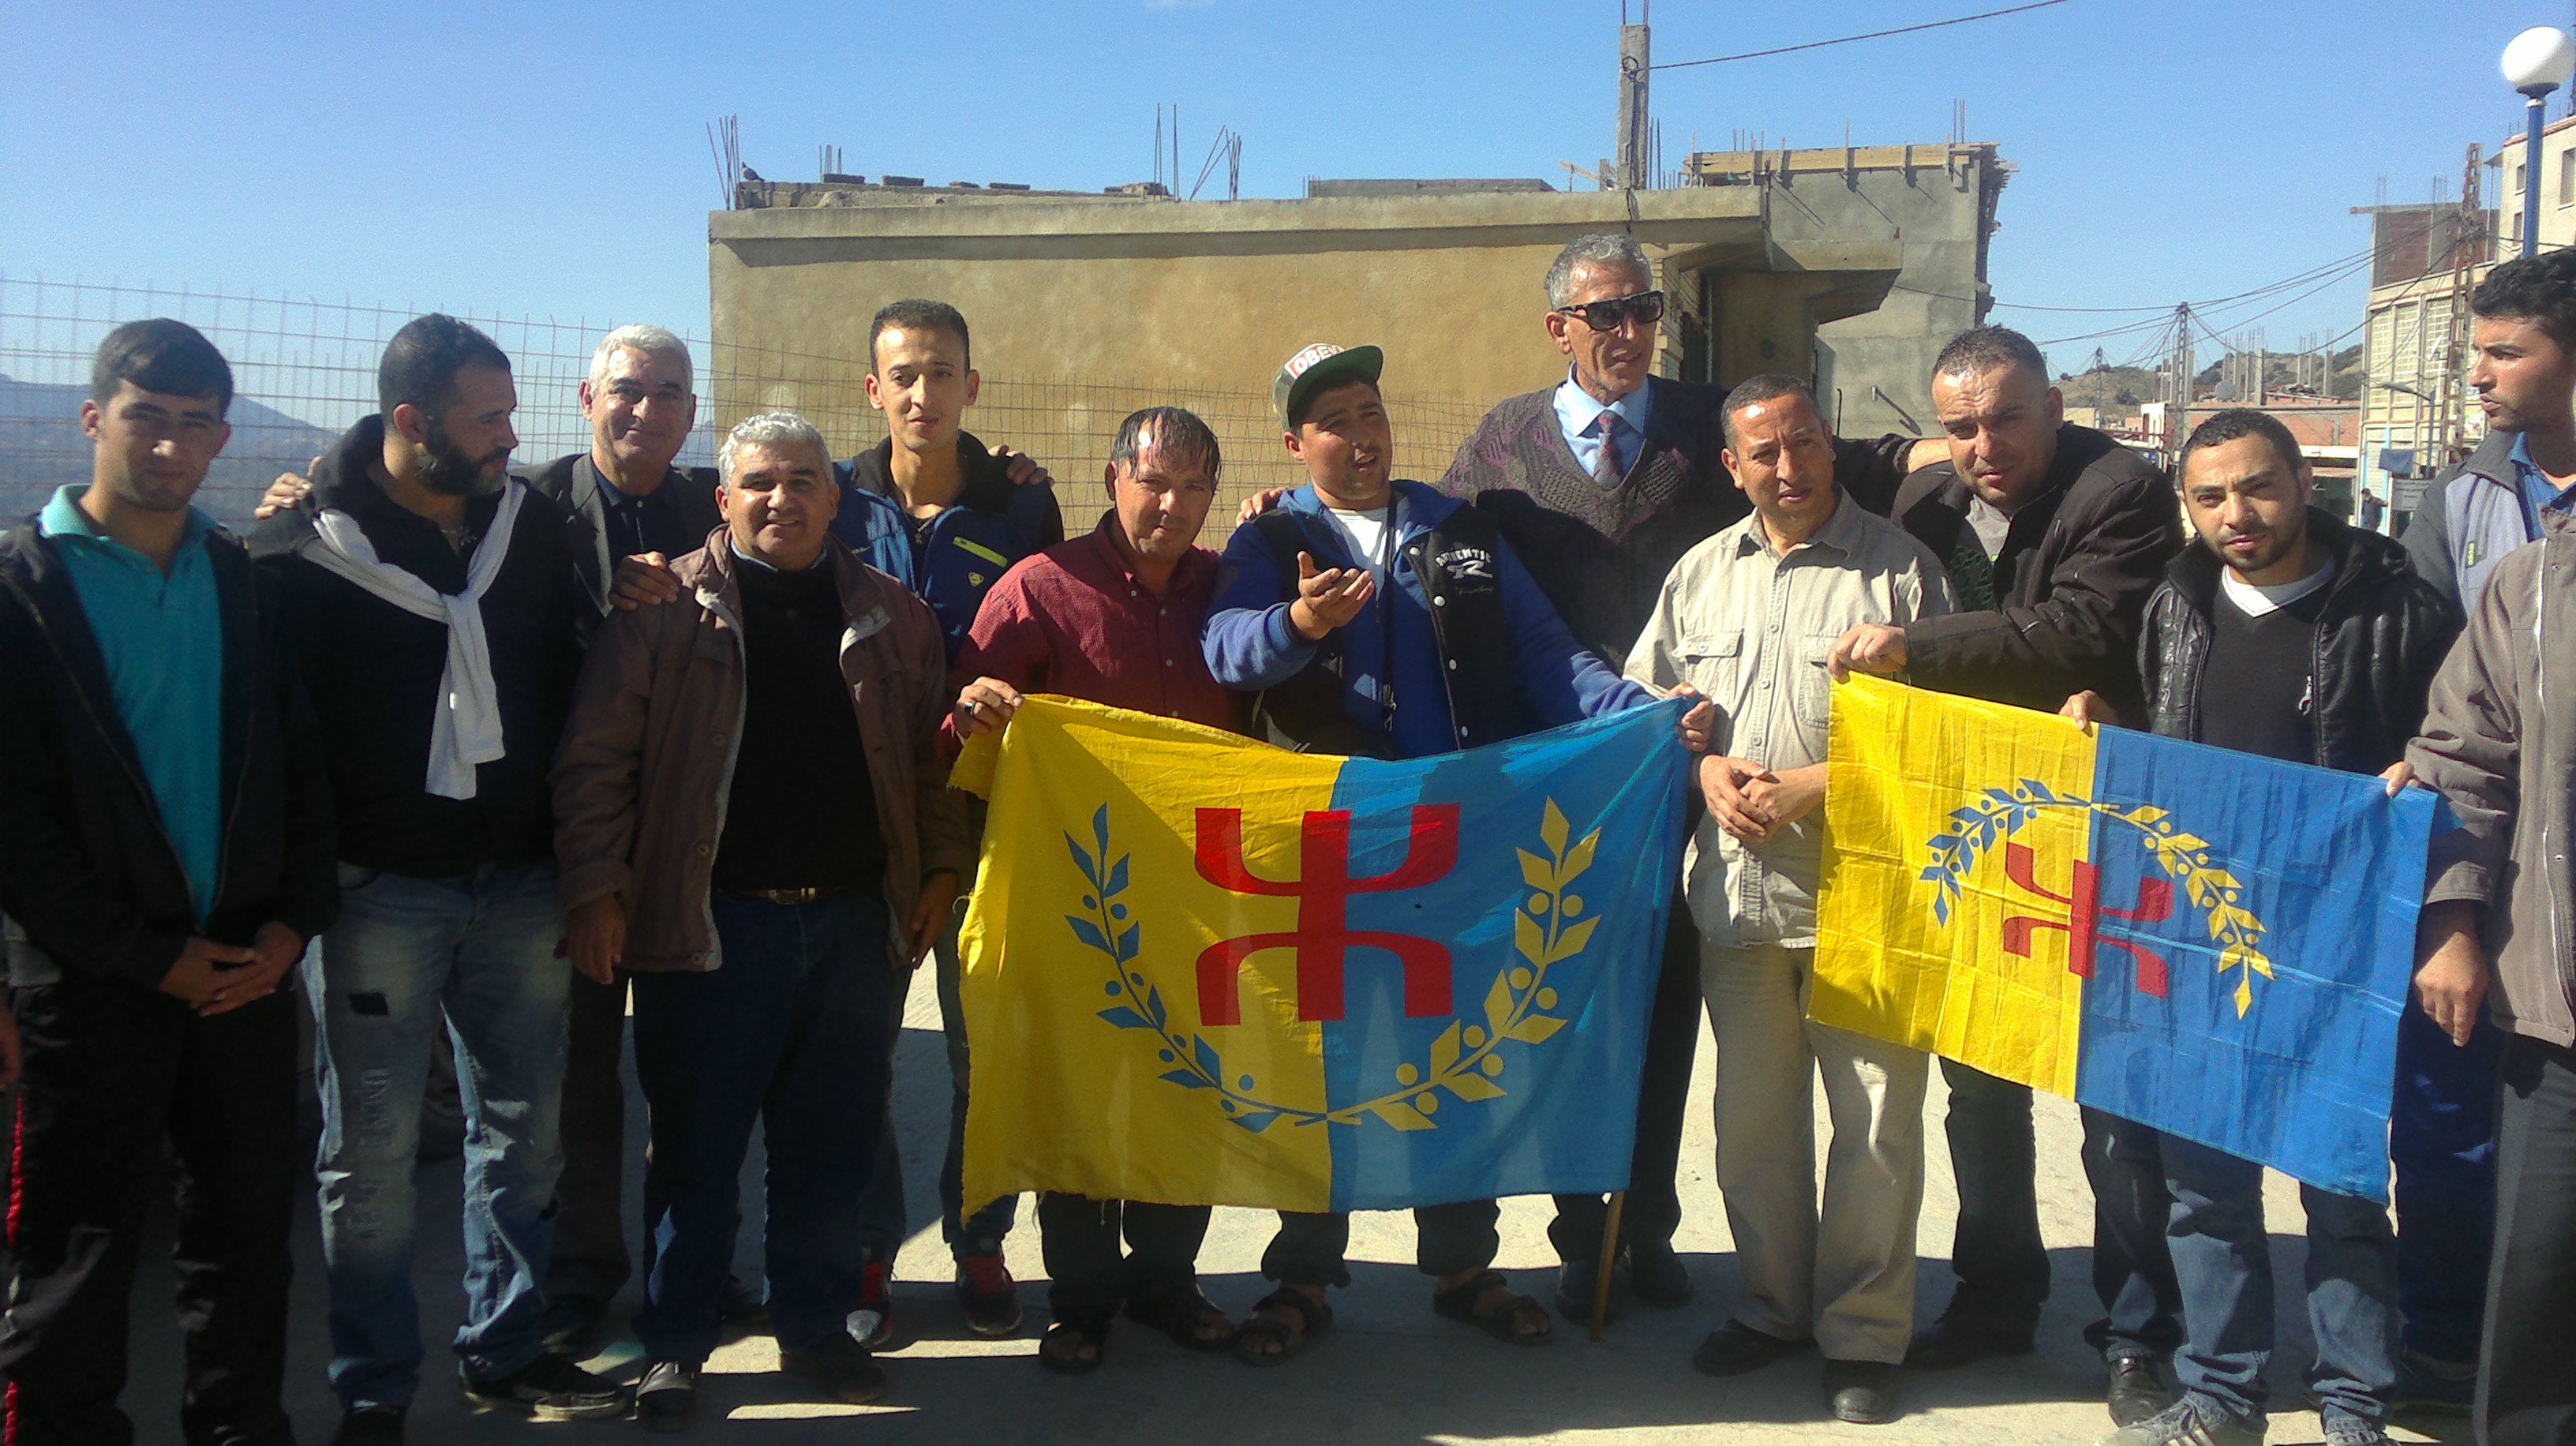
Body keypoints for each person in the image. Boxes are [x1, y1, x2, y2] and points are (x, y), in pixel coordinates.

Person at [1201, 340, 1702, 1363]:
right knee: (1325, 1064)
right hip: (1330, 849)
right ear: (1295, 444)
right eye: (1333, 420)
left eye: (1370, 410)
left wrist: (1639, 713)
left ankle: (1465, 1268)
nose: (1361, 434)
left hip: (1454, 845)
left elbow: (1544, 654)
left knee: (1457, 1061)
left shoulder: (1457, 529)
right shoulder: (1272, 536)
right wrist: (1296, 622)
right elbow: (1226, 649)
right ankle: (1302, 1276)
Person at [552, 410, 970, 1430]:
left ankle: (816, 1329)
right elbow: (596, 762)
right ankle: (678, 1339)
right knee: (696, 1152)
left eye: (802, 481)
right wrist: (597, 889)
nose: (781, 499)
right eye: (759, 483)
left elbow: (932, 764)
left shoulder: (897, 617)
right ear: (724, 498)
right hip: (708, 929)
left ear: (835, 497)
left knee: (828, 1149)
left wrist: (940, 871)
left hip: (852, 929)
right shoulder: (661, 613)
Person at [249, 314, 622, 1444]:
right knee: (367, 1157)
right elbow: (275, 735)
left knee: (525, 1135)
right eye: (488, 418)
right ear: (412, 423)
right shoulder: (300, 551)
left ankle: (504, 1349)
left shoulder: (531, 527)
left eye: (511, 414)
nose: (512, 436)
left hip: (518, 883)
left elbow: (576, 666)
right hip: (379, 895)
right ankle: (373, 1388)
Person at [2066, 409, 2455, 1446]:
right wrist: (2112, 729)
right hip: (2203, 933)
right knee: (2203, 1190)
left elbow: (2466, 739)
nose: (2237, 513)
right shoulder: (2174, 607)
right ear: (2187, 507)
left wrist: (2427, 766)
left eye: (2258, 487)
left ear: (2303, 483)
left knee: (2341, 1189)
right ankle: (2223, 1396)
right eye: (2210, 496)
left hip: (2339, 943)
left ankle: (2354, 1405)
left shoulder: (2401, 609)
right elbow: (2169, 745)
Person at [1828, 324, 2188, 1421]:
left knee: (2112, 1098)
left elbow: (2075, 628)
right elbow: (1814, 456)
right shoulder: (1925, 503)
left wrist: (1913, 649)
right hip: (1980, 832)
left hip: (2103, 828)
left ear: (2055, 405)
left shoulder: (2120, 491)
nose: (1985, 446)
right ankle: (1994, 1296)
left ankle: (2138, 1333)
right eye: (1961, 426)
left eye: (2006, 419)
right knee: (1979, 1084)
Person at [0, 320, 327, 1446]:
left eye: (196, 426)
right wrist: (145, 957)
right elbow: (14, 827)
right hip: (90, 983)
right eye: (147, 419)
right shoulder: (24, 590)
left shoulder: (239, 580)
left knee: (244, 1242)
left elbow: (297, 763)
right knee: (74, 1251)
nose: (171, 447)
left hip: (242, 972)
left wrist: (293, 925)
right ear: (94, 418)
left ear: (223, 439)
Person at [1627, 375, 1952, 1425]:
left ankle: (1863, 1335)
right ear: (1733, 467)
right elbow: (1648, 708)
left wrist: (1819, 782)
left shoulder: (1900, 572)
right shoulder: (1699, 575)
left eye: (1804, 442)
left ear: (1830, 445)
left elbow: (1947, 741)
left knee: (1876, 1128)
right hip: (1741, 900)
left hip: (1869, 900)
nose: (1788, 466)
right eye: (1764, 452)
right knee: (1752, 1128)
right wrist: (1701, 766)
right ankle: (1772, 1307)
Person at [948, 406, 1245, 1374]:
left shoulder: (1229, 586)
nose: (1171, 504)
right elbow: (959, 732)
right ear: (1113, 477)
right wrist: (974, 711)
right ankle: (1078, 1298)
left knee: (1187, 1087)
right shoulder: (1038, 587)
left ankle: (1167, 1280)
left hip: (1201, 891)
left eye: (1193, 486)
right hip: (1075, 892)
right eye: (1152, 481)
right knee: (1077, 1090)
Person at [837, 298, 1062, 1343]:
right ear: (872, 388)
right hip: (863, 823)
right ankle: (866, 1250)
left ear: (971, 386)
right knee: (860, 1056)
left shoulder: (1023, 509)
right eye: (903, 375)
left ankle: (979, 1239)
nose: (921, 393)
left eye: (941, 373)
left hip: (982, 820)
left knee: (983, 1058)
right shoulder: (831, 499)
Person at [2379, 249, 2576, 1410]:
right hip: (2507, 893)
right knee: (2463, 1144)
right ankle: (2446, 1349)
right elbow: (2455, 720)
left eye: (2506, 351)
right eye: (2479, 351)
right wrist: (2450, 908)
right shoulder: (2463, 504)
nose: (2481, 374)